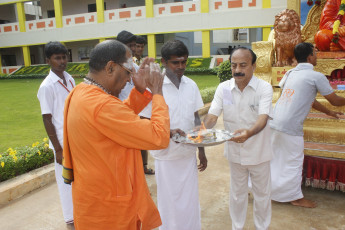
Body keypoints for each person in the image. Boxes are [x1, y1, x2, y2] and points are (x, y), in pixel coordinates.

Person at [62, 40, 170, 230]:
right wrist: (158, 93)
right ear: (110, 67)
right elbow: (158, 136)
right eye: (128, 72)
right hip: (111, 209)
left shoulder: (81, 92)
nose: (129, 79)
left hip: (93, 200)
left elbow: (117, 118)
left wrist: (139, 91)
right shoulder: (101, 104)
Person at [140, 40, 207, 230]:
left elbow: (195, 119)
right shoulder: (153, 88)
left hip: (188, 155)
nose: (180, 67)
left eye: (183, 62)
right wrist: (167, 133)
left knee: (190, 201)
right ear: (163, 62)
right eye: (175, 62)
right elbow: (143, 122)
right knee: (169, 203)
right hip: (166, 156)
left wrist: (201, 150)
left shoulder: (191, 85)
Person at [203, 47, 273, 230]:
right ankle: (237, 227)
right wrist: (202, 128)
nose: (237, 70)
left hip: (259, 152)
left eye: (243, 65)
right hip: (235, 152)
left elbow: (263, 118)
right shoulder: (225, 88)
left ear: (254, 66)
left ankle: (262, 227)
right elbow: (213, 115)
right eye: (234, 65)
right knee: (237, 194)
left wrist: (248, 133)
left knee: (262, 194)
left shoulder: (263, 88)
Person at [270, 42, 345, 208]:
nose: (317, 56)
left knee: (276, 160)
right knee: (294, 162)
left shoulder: (290, 73)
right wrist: (333, 107)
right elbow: (335, 100)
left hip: (274, 121)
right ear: (310, 57)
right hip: (290, 127)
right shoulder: (315, 76)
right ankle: (295, 198)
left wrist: (329, 113)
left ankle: (271, 192)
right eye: (316, 53)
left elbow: (307, 99)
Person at [37, 41, 74, 225]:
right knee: (65, 181)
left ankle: (80, 212)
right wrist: (58, 149)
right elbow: (46, 118)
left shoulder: (70, 78)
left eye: (64, 57)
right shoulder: (47, 86)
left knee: (76, 178)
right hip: (61, 141)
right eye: (57, 58)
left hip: (75, 138)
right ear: (48, 60)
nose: (62, 61)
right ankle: (70, 219)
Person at [117, 30, 155, 175]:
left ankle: (140, 171)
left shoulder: (134, 66)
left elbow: (144, 88)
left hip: (134, 113)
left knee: (138, 147)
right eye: (130, 45)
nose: (133, 49)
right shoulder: (113, 67)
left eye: (135, 46)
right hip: (119, 115)